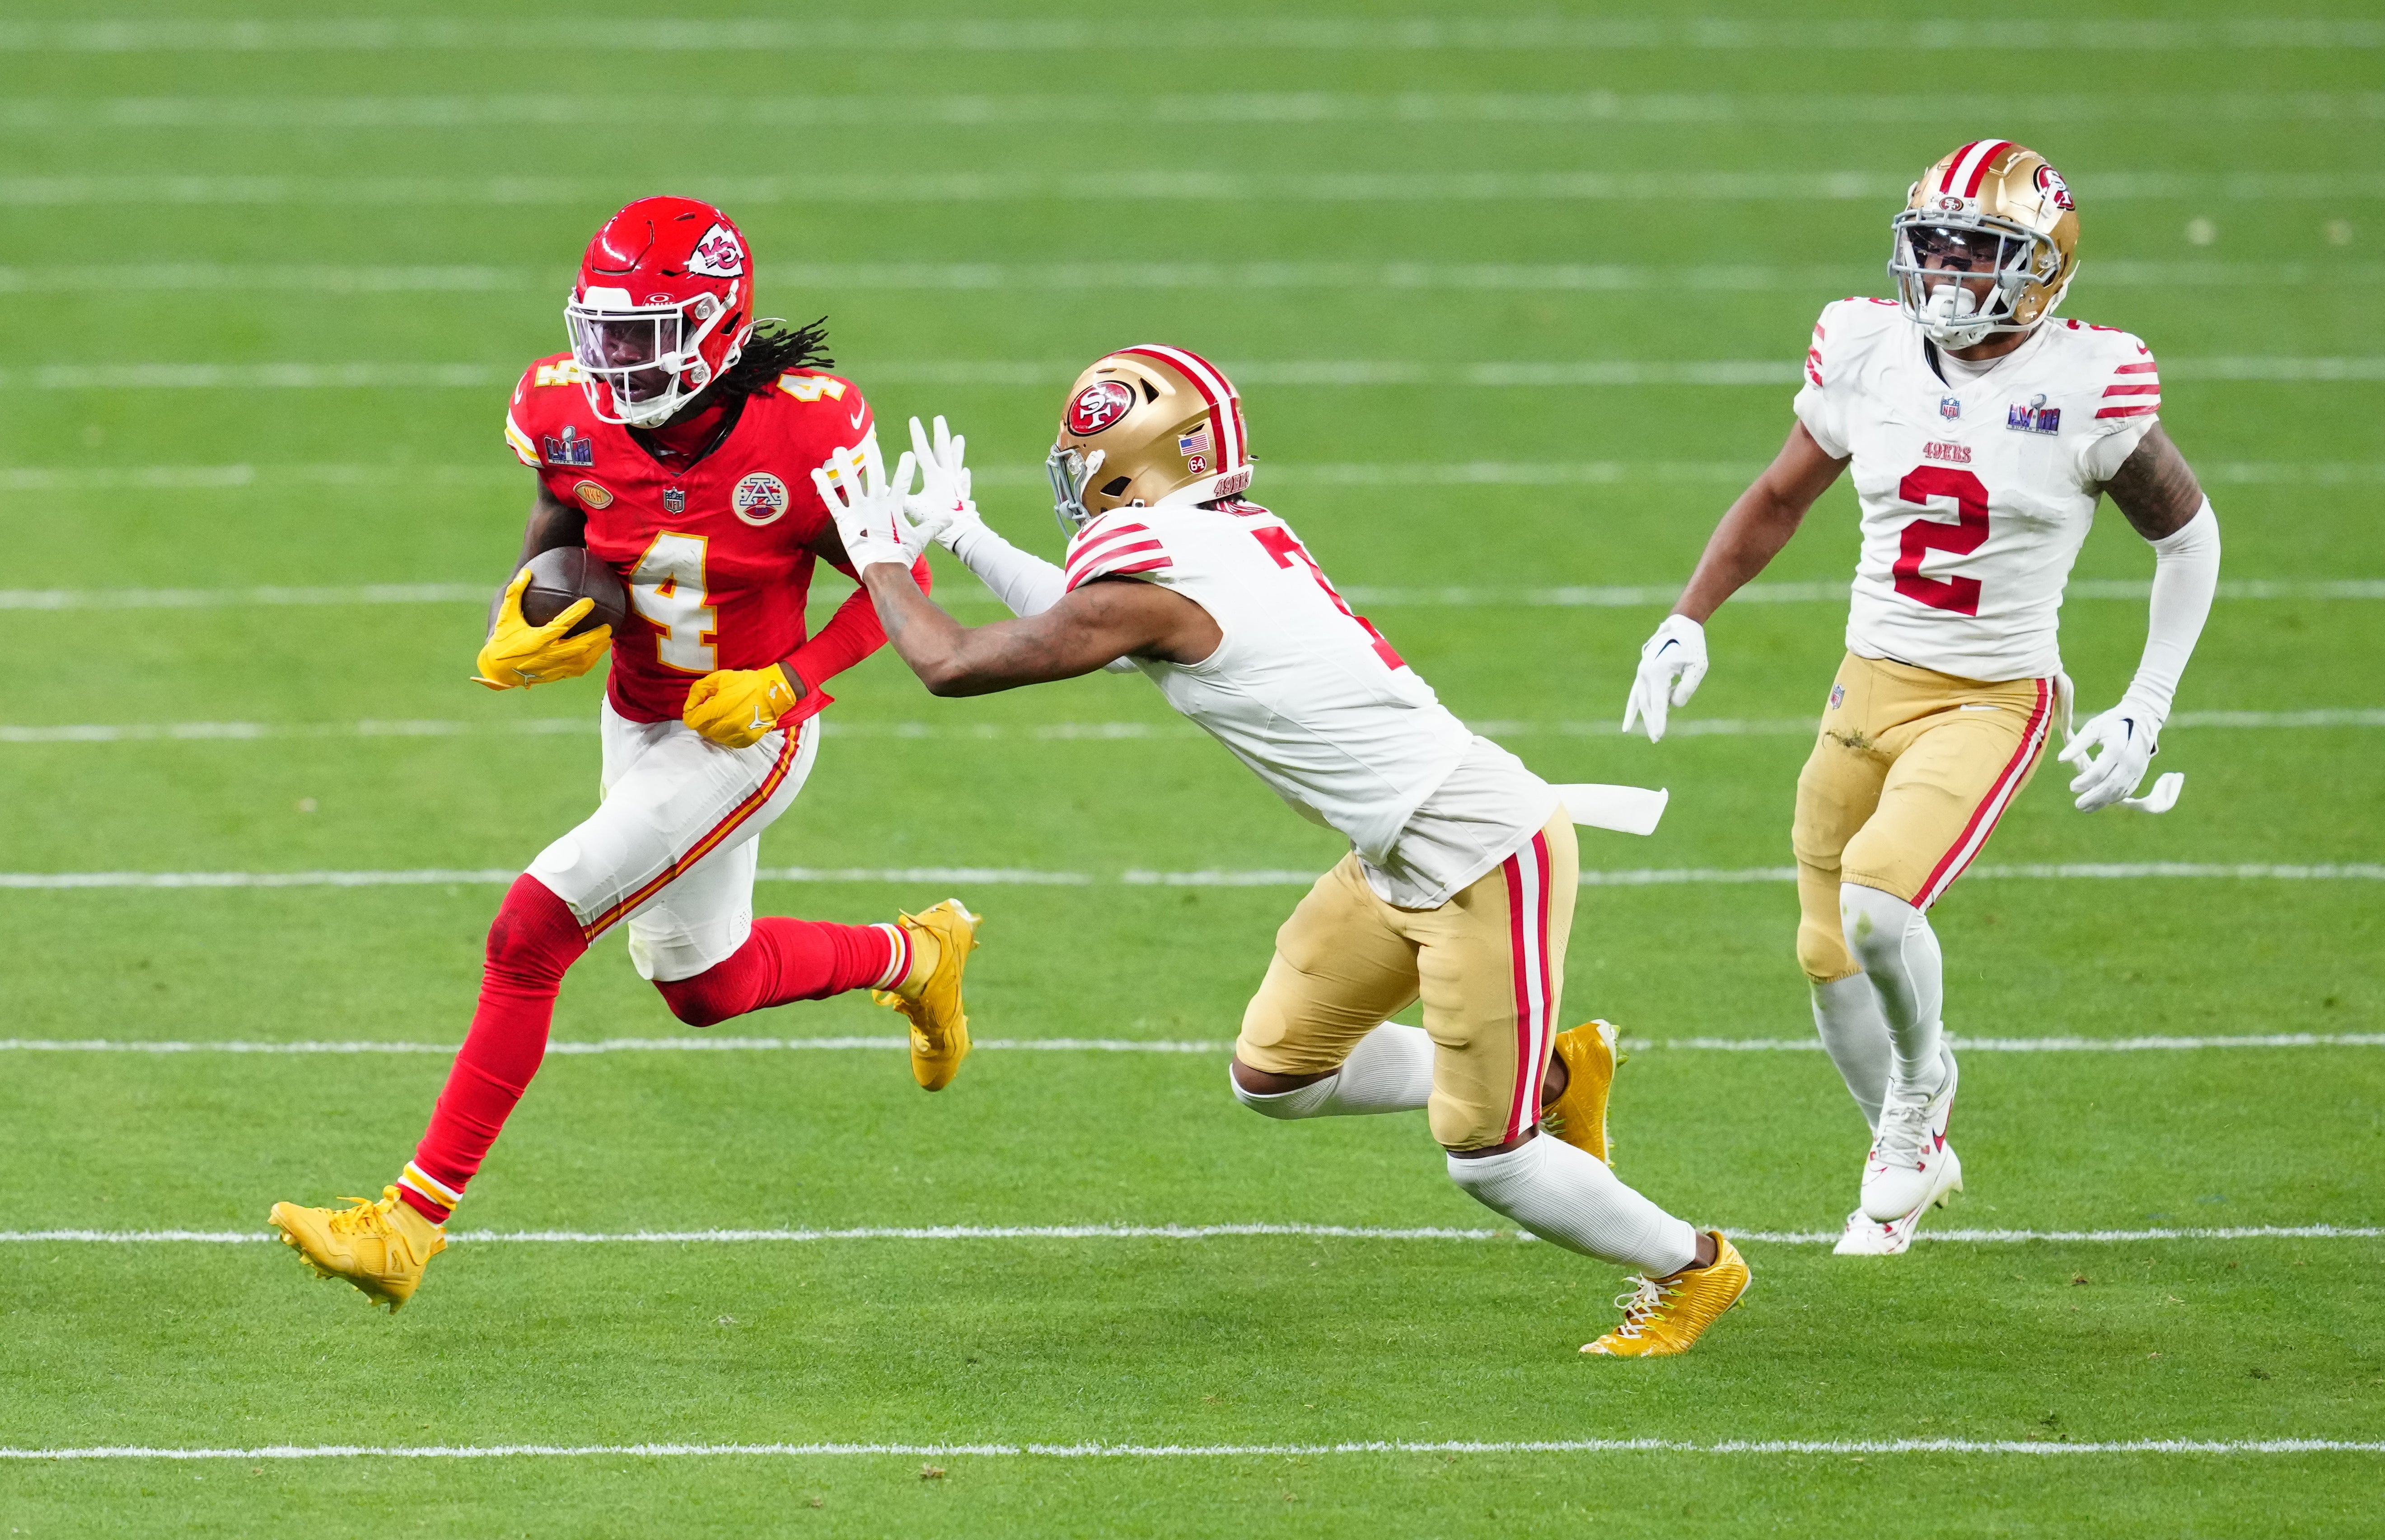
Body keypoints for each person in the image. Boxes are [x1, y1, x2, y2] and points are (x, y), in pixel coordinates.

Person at [816, 344, 1749, 1357]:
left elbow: (954, 663)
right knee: (1278, 1074)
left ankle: (1694, 1267)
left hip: (1482, 853)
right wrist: (960, 532)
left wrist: (879, 559)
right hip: (1396, 852)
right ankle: (1558, 1075)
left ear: (1133, 468)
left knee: (1488, 1158)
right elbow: (1092, 620)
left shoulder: (1158, 576)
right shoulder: (1218, 538)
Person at [268, 197, 977, 1311]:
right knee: (704, 983)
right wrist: (527, 604)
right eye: (604, 330)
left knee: (531, 930)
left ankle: (408, 1225)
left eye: (645, 333)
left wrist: (790, 681)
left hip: (748, 736)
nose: (615, 358)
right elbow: (563, 516)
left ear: (719, 324)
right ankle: (915, 956)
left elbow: (904, 590)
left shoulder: (803, 431)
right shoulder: (562, 406)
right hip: (640, 711)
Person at [1620, 141, 2220, 1255]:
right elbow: (1778, 495)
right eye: (1934, 248)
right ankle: (1904, 1158)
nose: (1947, 276)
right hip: (1869, 678)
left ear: (2041, 268)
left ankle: (1916, 1100)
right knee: (1825, 950)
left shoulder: (2090, 383)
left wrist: (2146, 701)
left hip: (1993, 698)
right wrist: (1688, 614)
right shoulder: (1868, 350)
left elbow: (2189, 539)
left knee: (1881, 903)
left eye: (1979, 252)